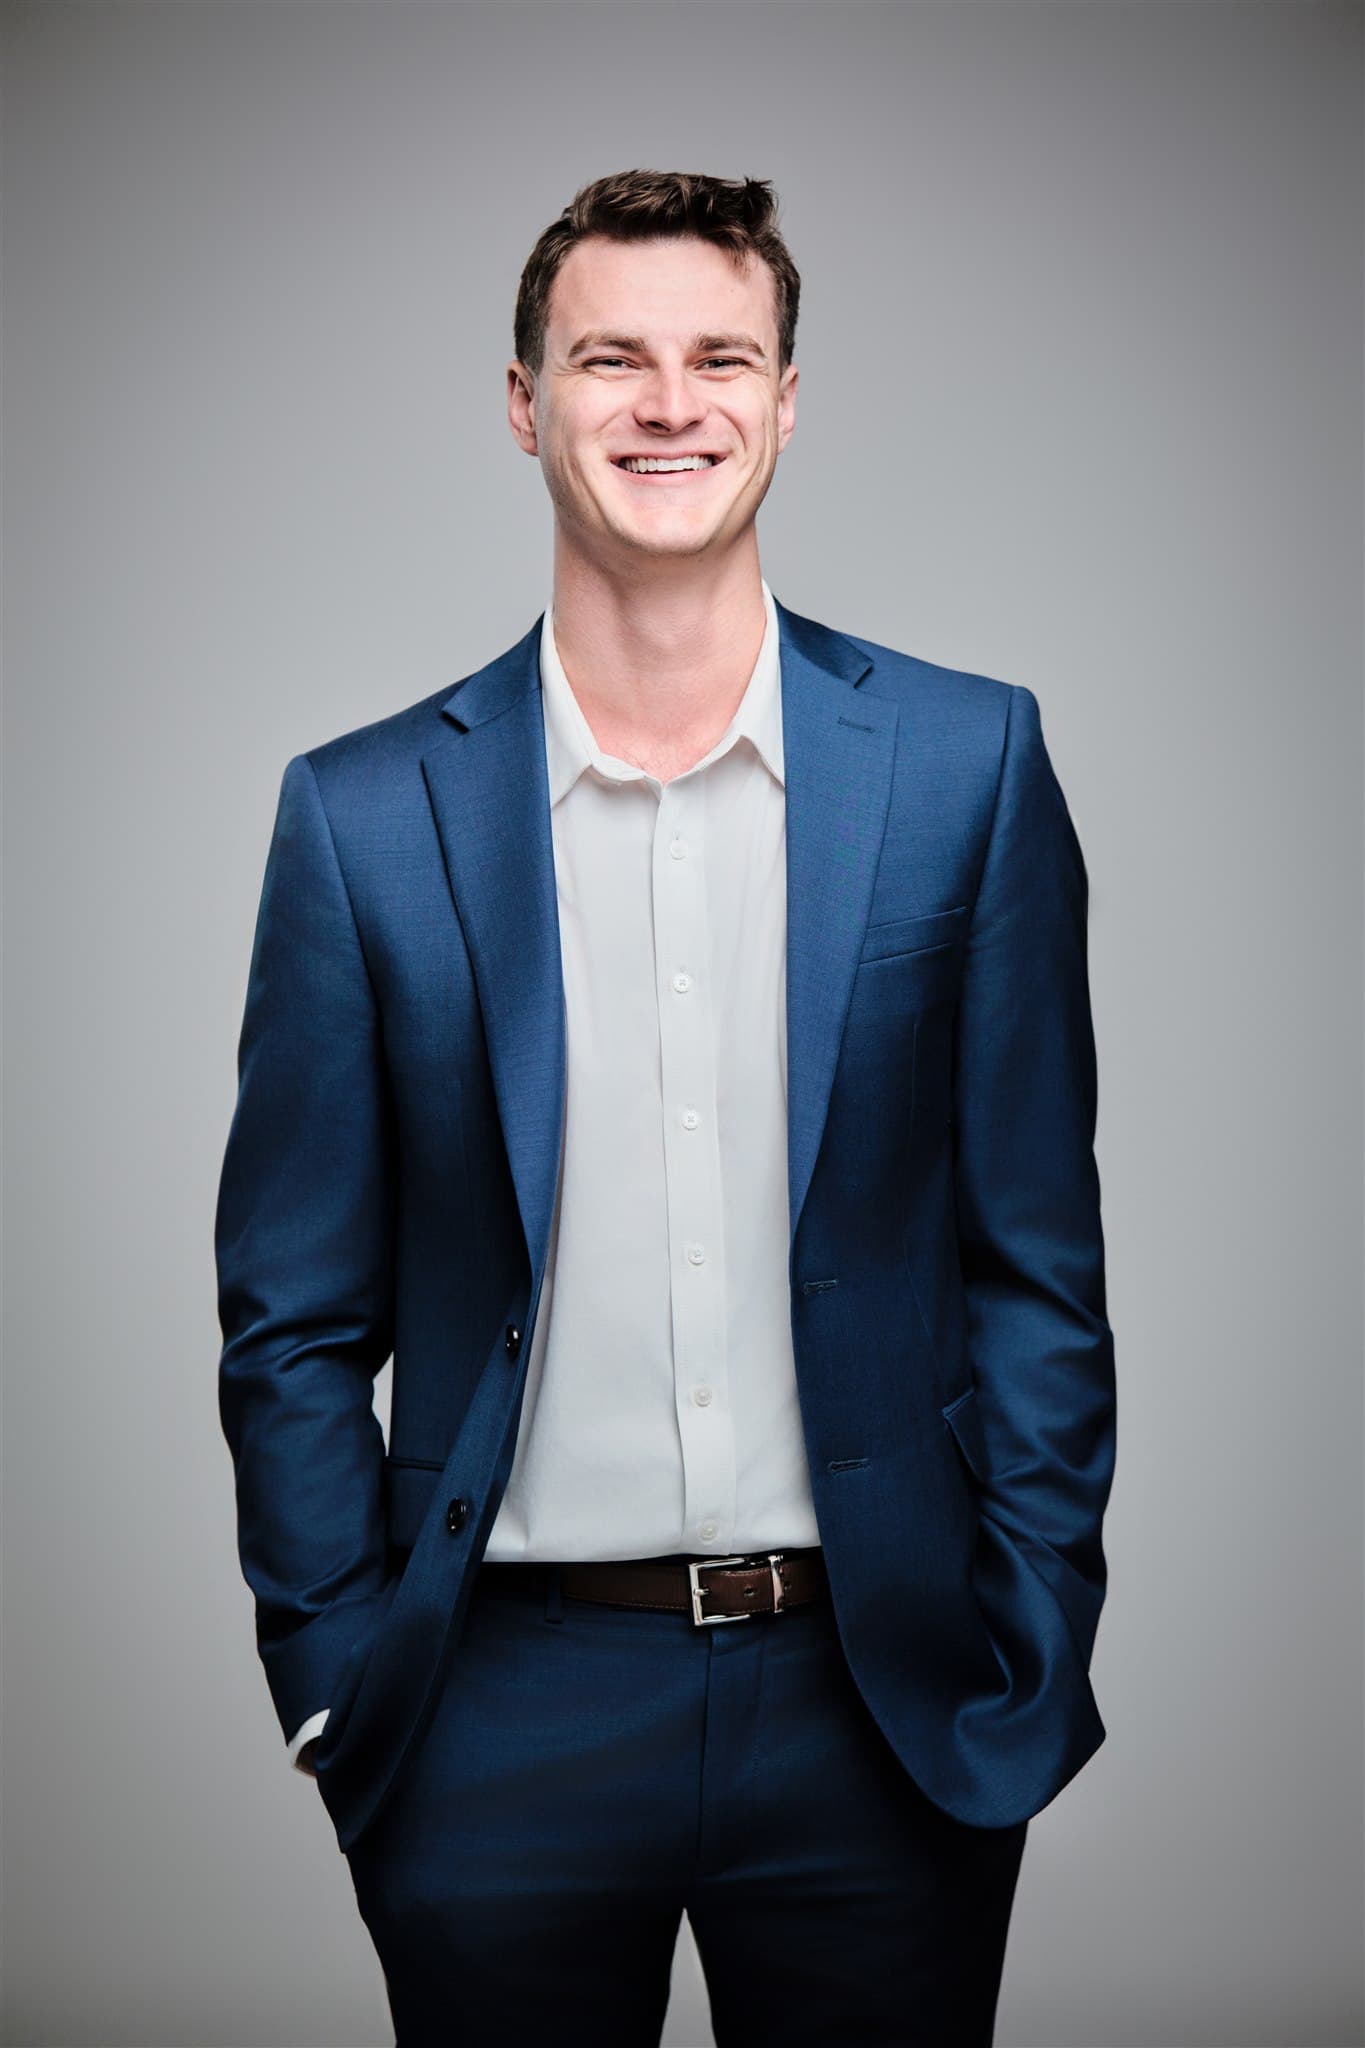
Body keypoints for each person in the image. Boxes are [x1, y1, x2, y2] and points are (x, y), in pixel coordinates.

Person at [216, 167, 1117, 2047]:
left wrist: (1027, 1637)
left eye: (721, 356)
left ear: (788, 400)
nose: (666, 399)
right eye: (607, 356)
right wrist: (333, 1673)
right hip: (499, 1708)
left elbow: (1036, 1259)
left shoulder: (966, 765)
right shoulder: (361, 818)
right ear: (524, 401)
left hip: (881, 1700)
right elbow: (294, 1312)